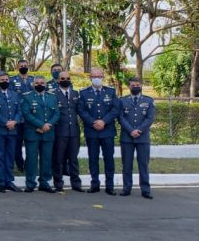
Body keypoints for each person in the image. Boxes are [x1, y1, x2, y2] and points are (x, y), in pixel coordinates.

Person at [77, 68, 119, 196]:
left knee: (109, 159)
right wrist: (94, 122)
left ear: (103, 77)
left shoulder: (111, 92)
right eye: (94, 76)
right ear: (90, 77)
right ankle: (94, 184)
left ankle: (109, 186)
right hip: (92, 131)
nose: (97, 78)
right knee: (93, 159)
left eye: (99, 76)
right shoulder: (83, 93)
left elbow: (115, 109)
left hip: (107, 131)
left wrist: (104, 121)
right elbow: (81, 110)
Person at [20, 76, 59, 193]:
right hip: (32, 133)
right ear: (33, 84)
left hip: (48, 132)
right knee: (31, 159)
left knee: (46, 159)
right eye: (37, 83)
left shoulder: (52, 97)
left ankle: (44, 182)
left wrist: (48, 125)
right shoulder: (27, 96)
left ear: (46, 84)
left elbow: (56, 113)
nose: (39, 84)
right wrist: (41, 125)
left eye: (42, 83)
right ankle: (30, 183)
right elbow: (26, 114)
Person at [118, 77, 155, 199]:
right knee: (127, 165)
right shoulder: (123, 101)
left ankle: (145, 190)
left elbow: (150, 118)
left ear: (141, 86)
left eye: (137, 85)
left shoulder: (148, 101)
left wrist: (138, 130)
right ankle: (126, 188)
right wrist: (131, 130)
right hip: (127, 138)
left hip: (142, 138)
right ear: (129, 86)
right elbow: (121, 118)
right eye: (133, 85)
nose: (135, 87)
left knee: (143, 164)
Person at [0, 72, 22, 193]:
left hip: (12, 131)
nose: (5, 81)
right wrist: (6, 122)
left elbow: (19, 111)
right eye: (2, 80)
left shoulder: (15, 94)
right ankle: (0, 182)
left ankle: (9, 181)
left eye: (7, 79)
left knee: (10, 156)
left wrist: (15, 122)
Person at [52, 71, 83, 192]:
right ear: (58, 80)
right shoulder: (53, 94)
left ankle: (76, 184)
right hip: (60, 131)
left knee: (73, 159)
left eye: (68, 78)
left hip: (74, 131)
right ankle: (58, 183)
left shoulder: (75, 94)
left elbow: (79, 111)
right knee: (58, 159)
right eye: (63, 78)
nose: (66, 80)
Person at [10, 59, 34, 171]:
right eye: (21, 66)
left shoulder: (33, 80)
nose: (23, 67)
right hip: (18, 117)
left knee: (30, 142)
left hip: (31, 117)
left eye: (25, 65)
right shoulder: (12, 80)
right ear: (17, 67)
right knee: (17, 142)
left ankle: (30, 164)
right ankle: (20, 164)